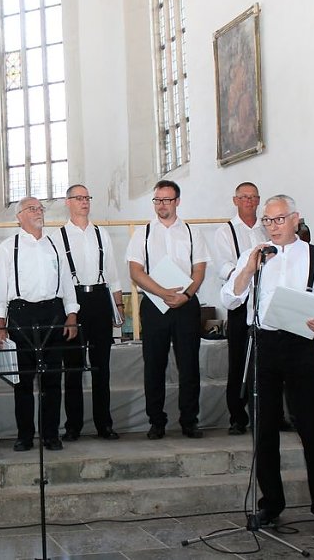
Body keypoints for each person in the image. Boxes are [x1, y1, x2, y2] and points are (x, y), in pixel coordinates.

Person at [221, 194, 314, 532]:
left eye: (278, 219)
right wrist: (249, 269)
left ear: (295, 219)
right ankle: (270, 504)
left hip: (301, 345)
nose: (272, 227)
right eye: (267, 221)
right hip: (265, 344)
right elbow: (229, 299)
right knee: (264, 429)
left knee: (312, 427)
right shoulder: (254, 254)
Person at [0, 197, 79, 452]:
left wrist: (72, 314)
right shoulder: (8, 247)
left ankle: (51, 434)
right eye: (32, 209)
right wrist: (0, 322)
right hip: (22, 314)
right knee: (23, 381)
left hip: (53, 313)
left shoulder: (55, 244)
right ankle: (25, 435)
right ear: (19, 216)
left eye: (40, 208)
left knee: (52, 379)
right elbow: (1, 287)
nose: (38, 212)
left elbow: (66, 282)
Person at [126, 180, 209, 440]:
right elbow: (135, 271)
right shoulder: (143, 233)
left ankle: (189, 420)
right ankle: (156, 421)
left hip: (186, 304)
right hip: (154, 304)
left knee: (189, 364)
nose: (162, 205)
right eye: (157, 200)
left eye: (167, 200)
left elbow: (199, 269)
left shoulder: (192, 232)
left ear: (177, 201)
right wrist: (162, 293)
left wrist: (186, 295)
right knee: (154, 365)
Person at [55, 185, 125, 442]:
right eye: (79, 198)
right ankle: (73, 425)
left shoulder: (101, 233)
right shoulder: (57, 237)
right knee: (72, 367)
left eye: (87, 198)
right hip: (71, 300)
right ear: (68, 202)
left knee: (101, 367)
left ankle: (104, 424)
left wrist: (118, 307)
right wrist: (66, 312)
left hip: (99, 299)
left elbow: (113, 273)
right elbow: (57, 277)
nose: (84, 202)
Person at [212, 182, 267, 435]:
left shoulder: (267, 228)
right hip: (240, 301)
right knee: (238, 360)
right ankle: (237, 416)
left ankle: (271, 415)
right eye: (244, 197)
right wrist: (246, 274)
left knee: (268, 360)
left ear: (258, 200)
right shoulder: (225, 231)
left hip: (266, 301)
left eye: (253, 197)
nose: (249, 201)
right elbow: (223, 266)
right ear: (235, 201)